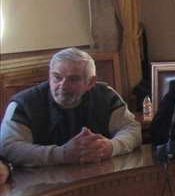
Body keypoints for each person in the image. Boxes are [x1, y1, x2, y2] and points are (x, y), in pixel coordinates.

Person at [0, 48, 141, 166]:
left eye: (73, 79)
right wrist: (62, 154)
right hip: (40, 183)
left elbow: (132, 129)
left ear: (91, 82)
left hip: (97, 175)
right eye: (57, 77)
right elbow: (8, 147)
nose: (63, 85)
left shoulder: (105, 96)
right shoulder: (23, 104)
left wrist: (111, 147)